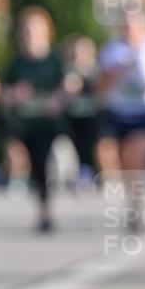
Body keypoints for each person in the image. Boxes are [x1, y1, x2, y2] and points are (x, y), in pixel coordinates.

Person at [96, 13, 145, 229]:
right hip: (118, 111)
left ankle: (136, 206)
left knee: (136, 156)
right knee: (108, 153)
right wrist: (117, 73)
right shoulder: (112, 50)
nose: (128, 29)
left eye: (133, 25)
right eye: (125, 25)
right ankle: (124, 191)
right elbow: (100, 85)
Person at [1, 7, 66, 232]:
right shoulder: (16, 63)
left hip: (46, 124)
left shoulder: (54, 61)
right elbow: (3, 95)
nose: (31, 34)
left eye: (35, 29)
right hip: (23, 124)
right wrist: (15, 94)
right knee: (20, 159)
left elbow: (65, 90)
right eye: (27, 30)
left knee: (43, 165)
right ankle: (20, 185)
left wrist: (56, 101)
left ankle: (45, 210)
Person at [60, 35, 100, 190]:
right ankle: (73, 173)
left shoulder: (95, 70)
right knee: (71, 144)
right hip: (72, 115)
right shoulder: (67, 70)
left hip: (90, 115)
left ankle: (89, 171)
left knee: (88, 145)